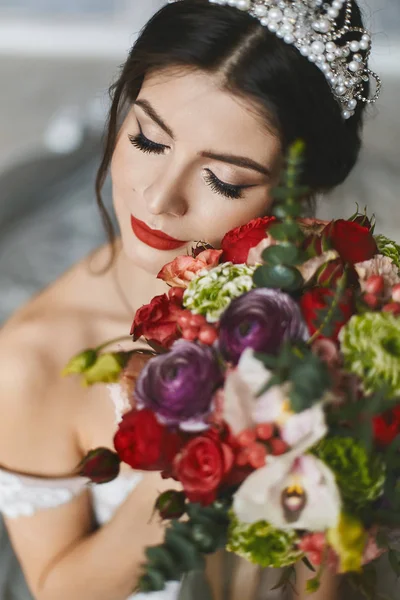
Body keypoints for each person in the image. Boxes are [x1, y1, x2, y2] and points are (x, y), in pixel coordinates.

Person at [0, 0, 380, 599]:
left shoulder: (349, 308)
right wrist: (201, 443)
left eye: (224, 180)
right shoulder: (34, 360)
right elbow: (59, 588)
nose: (158, 200)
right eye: (148, 140)